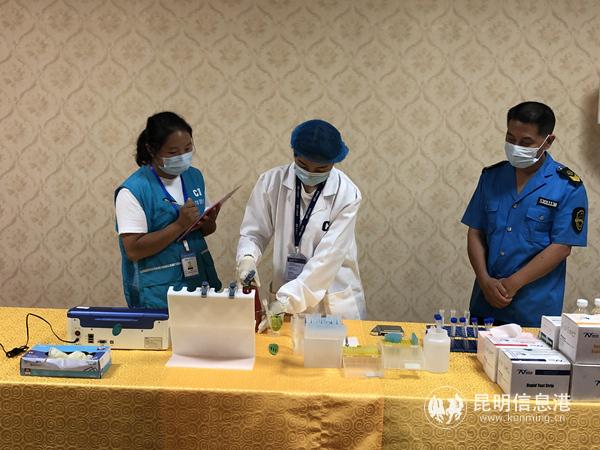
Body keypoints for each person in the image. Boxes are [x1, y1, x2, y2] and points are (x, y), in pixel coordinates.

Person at [462, 101, 588, 327]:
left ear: (548, 141)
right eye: (510, 138)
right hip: (485, 303)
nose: (516, 146)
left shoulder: (567, 186)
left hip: (533, 310)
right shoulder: (491, 177)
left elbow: (561, 247)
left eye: (526, 142)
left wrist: (512, 284)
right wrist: (484, 280)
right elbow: (475, 231)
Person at [236, 119, 366, 319]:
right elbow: (254, 233)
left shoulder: (347, 194)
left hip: (332, 301)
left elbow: (327, 259)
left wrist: (286, 302)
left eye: (321, 169)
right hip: (285, 293)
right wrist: (247, 257)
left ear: (334, 162)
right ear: (294, 154)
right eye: (303, 165)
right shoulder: (271, 182)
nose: (310, 174)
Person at [115, 112, 221, 308]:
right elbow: (133, 250)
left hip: (199, 282)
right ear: (151, 149)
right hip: (158, 293)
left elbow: (202, 231)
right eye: (173, 152)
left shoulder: (194, 176)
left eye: (188, 149)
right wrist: (179, 225)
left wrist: (209, 223)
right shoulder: (133, 190)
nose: (183, 156)